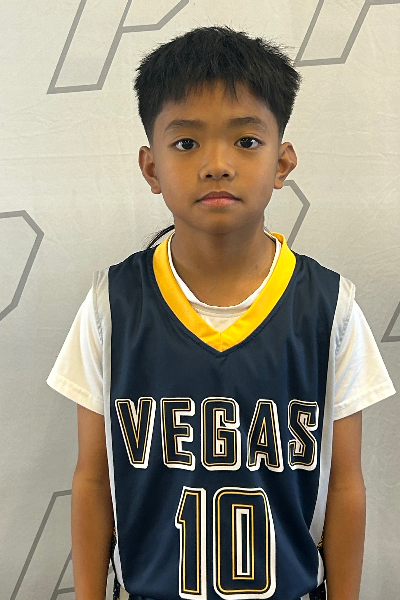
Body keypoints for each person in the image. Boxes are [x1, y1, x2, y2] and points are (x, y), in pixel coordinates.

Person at [47, 25, 395, 600]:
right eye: (186, 143)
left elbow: (345, 487)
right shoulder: (112, 305)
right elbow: (92, 479)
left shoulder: (330, 308)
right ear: (151, 167)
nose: (216, 164)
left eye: (246, 141)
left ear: (282, 162)